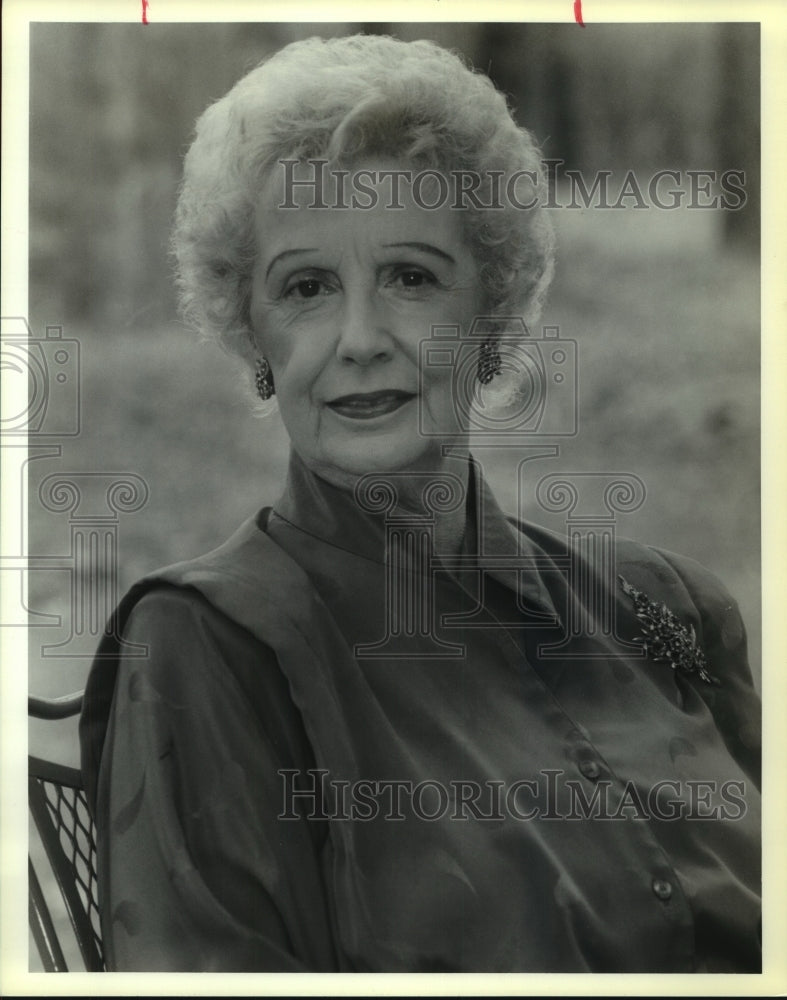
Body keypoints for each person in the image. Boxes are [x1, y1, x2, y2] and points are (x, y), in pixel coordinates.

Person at [79, 33, 760, 973]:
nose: (360, 338)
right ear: (255, 337)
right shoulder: (209, 650)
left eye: (410, 277)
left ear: (493, 311)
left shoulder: (672, 611)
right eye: (308, 288)